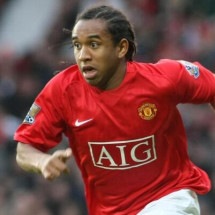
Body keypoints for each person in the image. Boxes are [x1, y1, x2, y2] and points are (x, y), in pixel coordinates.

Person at [14, 4, 215, 215]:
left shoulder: (163, 78)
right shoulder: (61, 91)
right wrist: (42, 161)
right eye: (77, 45)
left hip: (169, 198)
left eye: (94, 44)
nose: (83, 55)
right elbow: (24, 147)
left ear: (121, 48)